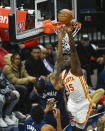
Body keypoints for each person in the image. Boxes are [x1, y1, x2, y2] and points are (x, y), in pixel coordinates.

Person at [30, 28, 71, 130]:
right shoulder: (54, 83)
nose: (43, 76)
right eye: (43, 78)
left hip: (47, 118)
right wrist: (60, 39)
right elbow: (58, 60)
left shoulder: (38, 90)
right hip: (60, 116)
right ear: (46, 81)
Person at [60, 26, 92, 130]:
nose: (65, 59)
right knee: (72, 128)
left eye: (67, 58)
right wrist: (66, 107)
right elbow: (63, 93)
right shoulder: (62, 74)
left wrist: (69, 34)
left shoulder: (76, 70)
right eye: (63, 58)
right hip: (72, 103)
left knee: (78, 129)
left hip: (83, 103)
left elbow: (73, 51)